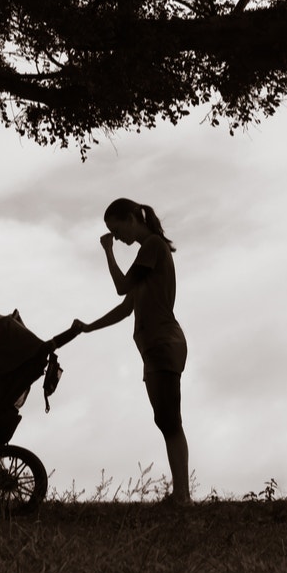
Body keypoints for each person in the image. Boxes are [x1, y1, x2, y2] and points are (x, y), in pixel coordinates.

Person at [72, 198, 191, 506]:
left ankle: (182, 496)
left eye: (117, 229)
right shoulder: (147, 256)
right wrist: (89, 327)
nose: (118, 237)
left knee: (170, 421)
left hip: (164, 343)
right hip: (154, 346)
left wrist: (108, 252)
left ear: (130, 218)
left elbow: (122, 287)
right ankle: (180, 494)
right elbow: (127, 307)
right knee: (164, 420)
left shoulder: (151, 246)